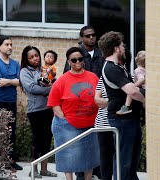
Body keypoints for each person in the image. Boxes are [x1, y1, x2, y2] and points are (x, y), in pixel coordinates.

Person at [98, 31, 145, 180]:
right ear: (116, 48)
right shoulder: (111, 68)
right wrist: (146, 100)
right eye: (122, 46)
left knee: (130, 163)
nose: (124, 48)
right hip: (123, 121)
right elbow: (131, 91)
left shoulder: (117, 67)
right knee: (124, 162)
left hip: (129, 119)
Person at [48, 47, 100, 180]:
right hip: (68, 125)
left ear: (83, 60)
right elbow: (54, 103)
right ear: (68, 61)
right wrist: (65, 119)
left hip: (90, 124)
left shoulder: (93, 77)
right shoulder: (62, 80)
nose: (77, 61)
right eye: (74, 59)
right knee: (68, 155)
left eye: (80, 59)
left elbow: (99, 96)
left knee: (90, 154)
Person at [63, 25, 103, 180]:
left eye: (93, 35)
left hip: (96, 103)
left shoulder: (101, 54)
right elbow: (67, 77)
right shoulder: (77, 54)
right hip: (80, 105)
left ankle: (96, 171)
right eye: (88, 35)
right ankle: (81, 173)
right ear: (81, 38)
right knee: (80, 144)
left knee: (96, 141)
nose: (91, 37)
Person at [19, 45, 57, 178]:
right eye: (31, 57)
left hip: (48, 108)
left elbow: (54, 82)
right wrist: (51, 89)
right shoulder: (24, 71)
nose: (35, 58)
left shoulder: (44, 69)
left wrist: (53, 85)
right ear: (26, 59)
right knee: (37, 140)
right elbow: (32, 88)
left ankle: (44, 170)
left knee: (47, 139)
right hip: (35, 111)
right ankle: (33, 170)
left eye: (36, 55)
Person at [0, 35, 23, 171]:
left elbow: (21, 81)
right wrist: (13, 81)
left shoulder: (15, 64)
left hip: (11, 101)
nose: (10, 47)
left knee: (11, 132)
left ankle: (10, 161)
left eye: (11, 45)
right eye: (7, 44)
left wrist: (8, 81)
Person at [116, 50, 146, 115]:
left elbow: (142, 79)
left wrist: (134, 85)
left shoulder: (138, 70)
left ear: (137, 61)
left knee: (130, 91)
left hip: (143, 89)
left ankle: (127, 106)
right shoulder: (146, 70)